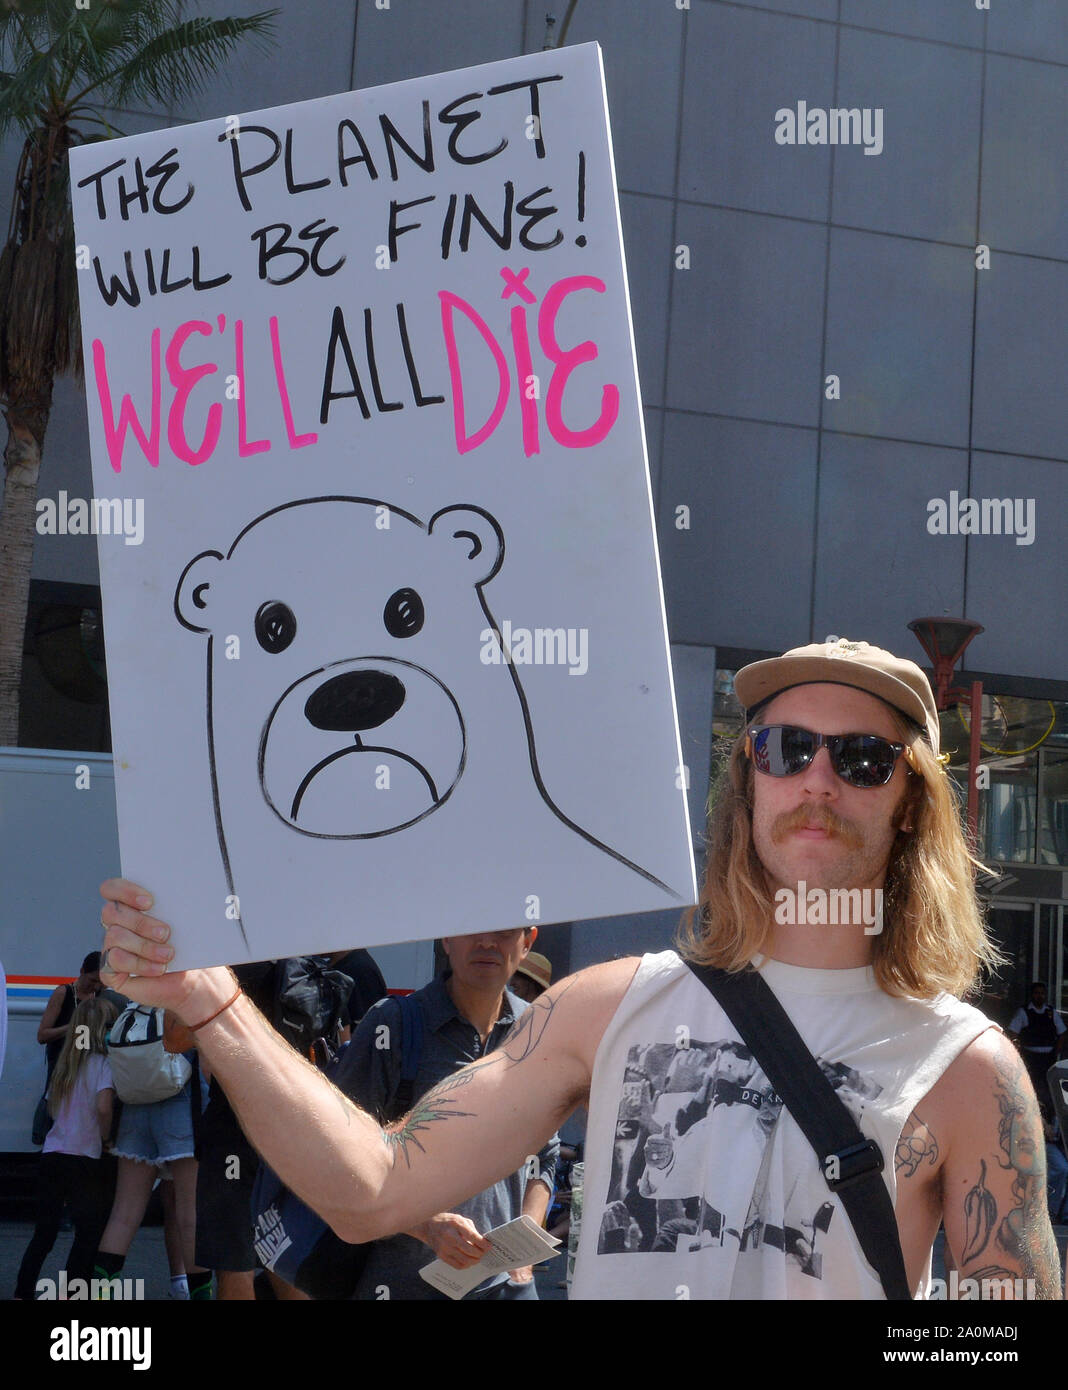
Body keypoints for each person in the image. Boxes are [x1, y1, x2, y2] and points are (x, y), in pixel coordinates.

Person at [99, 638, 1064, 1299]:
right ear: (749, 783)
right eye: (787, 748)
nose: (817, 777)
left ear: (910, 803)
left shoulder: (971, 1069)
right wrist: (213, 1003)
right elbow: (374, 1192)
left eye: (862, 757)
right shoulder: (605, 1010)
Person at [331, 928, 558, 1299]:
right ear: (446, 938)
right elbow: (343, 1159)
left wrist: (524, 1256)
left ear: (528, 941)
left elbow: (545, 1156)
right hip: (404, 1285)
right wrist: (427, 1227)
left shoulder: (538, 1031)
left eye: (502, 931)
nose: (487, 943)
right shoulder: (395, 1025)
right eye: (473, 928)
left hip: (507, 1288)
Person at [92, 1014, 210, 1298]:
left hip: (134, 1110)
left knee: (122, 1214)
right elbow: (206, 1070)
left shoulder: (136, 1002)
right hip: (181, 1108)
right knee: (189, 1214)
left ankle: (100, 1294)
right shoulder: (185, 1005)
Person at [14, 996, 118, 1299]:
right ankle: (72, 1293)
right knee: (87, 1235)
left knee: (43, 1234)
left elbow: (52, 1108)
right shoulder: (104, 1064)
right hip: (85, 1157)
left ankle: (23, 1291)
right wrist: (107, 1139)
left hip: (53, 1154)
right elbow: (102, 1107)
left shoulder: (64, 1065)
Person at [37, 951, 103, 1086]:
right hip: (62, 1067)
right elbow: (42, 1036)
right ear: (82, 971)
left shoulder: (101, 995)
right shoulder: (63, 993)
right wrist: (73, 1027)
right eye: (92, 980)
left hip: (89, 1067)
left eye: (101, 982)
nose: (96, 986)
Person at [1006, 981, 1066, 1098]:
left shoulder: (1051, 1012)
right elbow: (1013, 1033)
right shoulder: (1023, 1012)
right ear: (1032, 995)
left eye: (1042, 993)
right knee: (1031, 1088)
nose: (1040, 996)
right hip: (1031, 1057)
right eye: (1037, 993)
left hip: (1048, 1059)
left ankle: (1051, 1115)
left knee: (1050, 1089)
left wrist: (1056, 1052)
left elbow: (1062, 1033)